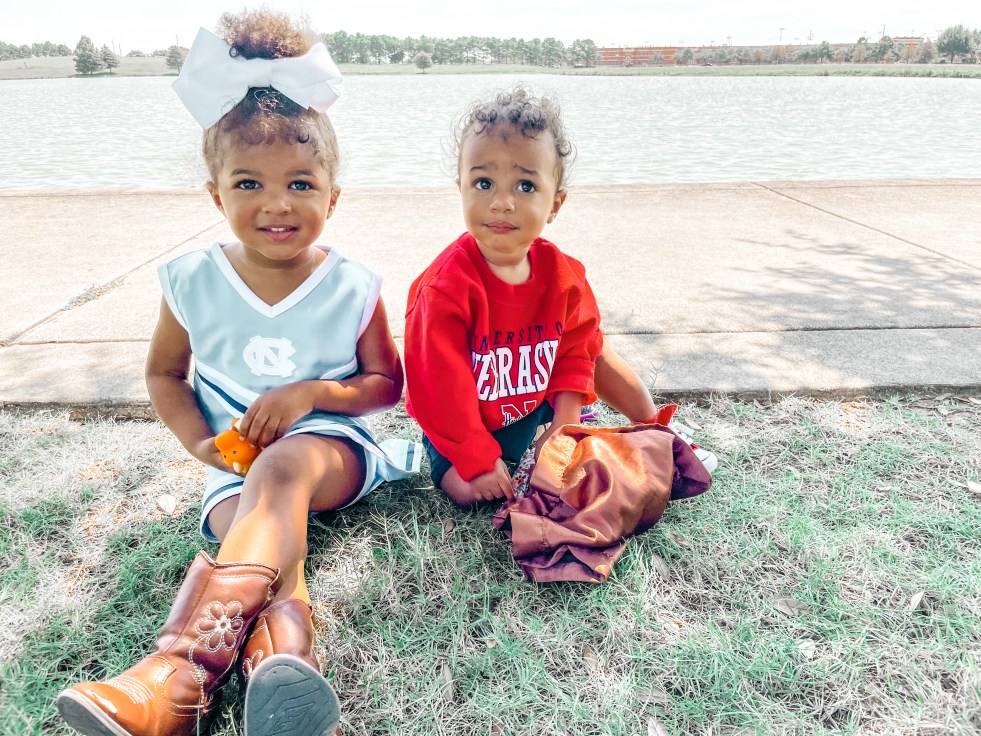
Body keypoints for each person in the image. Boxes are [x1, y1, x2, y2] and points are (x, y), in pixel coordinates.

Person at [57, 11, 419, 736]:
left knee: (282, 473)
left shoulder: (352, 285)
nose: (276, 203)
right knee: (253, 535)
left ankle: (178, 673)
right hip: (234, 468)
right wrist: (201, 444)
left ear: (332, 196)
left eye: (301, 183)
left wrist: (312, 394)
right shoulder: (191, 280)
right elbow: (165, 374)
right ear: (216, 195)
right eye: (249, 182)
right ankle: (281, 657)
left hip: (331, 451)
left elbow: (387, 384)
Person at [404, 85, 715, 507]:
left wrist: (565, 422)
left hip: (532, 404)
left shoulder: (564, 275)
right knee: (469, 493)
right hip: (465, 424)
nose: (502, 202)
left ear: (555, 203)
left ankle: (655, 428)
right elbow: (436, 390)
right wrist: (477, 457)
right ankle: (514, 453)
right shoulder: (444, 287)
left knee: (595, 348)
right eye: (483, 182)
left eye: (526, 187)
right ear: (460, 186)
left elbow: (575, 353)